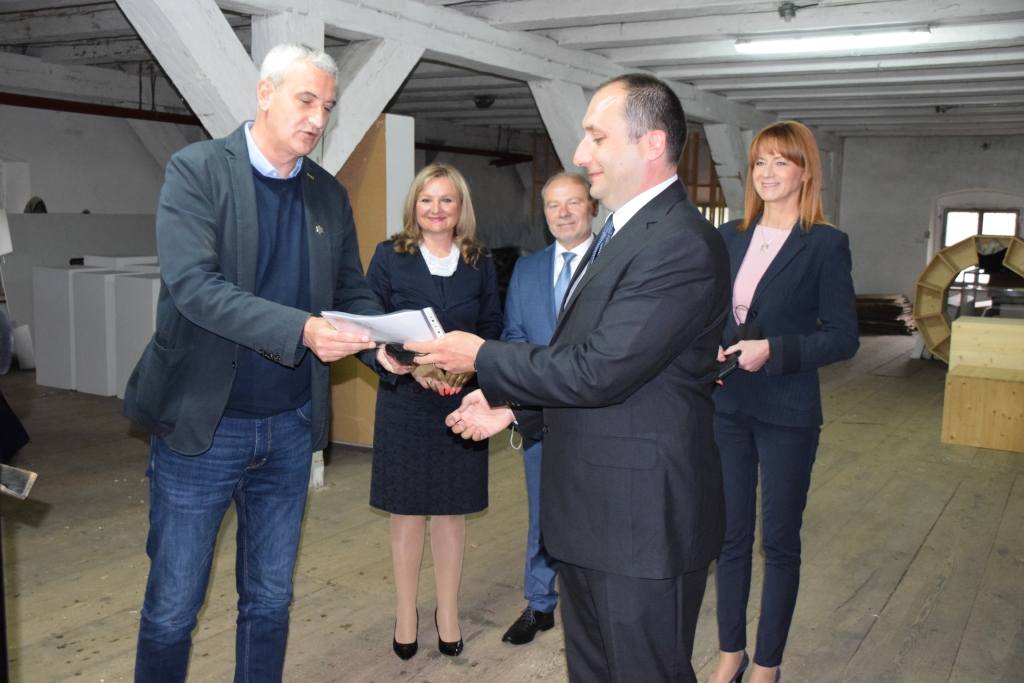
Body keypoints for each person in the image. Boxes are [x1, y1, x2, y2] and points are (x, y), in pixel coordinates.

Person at [406, 73, 732, 683]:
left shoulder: (679, 242)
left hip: (639, 521)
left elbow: (602, 369)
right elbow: (596, 360)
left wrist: (483, 356)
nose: (581, 154)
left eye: (596, 137)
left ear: (652, 143)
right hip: (592, 516)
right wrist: (514, 408)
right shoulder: (623, 233)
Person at [123, 43, 409, 683]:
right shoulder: (198, 171)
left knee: (270, 601)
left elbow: (348, 290)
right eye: (306, 100)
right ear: (264, 93)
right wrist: (302, 329)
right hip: (204, 426)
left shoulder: (326, 194)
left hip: (290, 426)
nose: (318, 118)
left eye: (327, 106)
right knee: (172, 608)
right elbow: (196, 288)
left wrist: (381, 343)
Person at [705, 121, 859, 683]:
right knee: (730, 538)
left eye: (781, 162)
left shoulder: (825, 243)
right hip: (727, 407)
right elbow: (709, 312)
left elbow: (843, 337)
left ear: (804, 171)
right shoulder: (730, 237)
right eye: (759, 162)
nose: (767, 173)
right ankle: (730, 654)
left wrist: (774, 350)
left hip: (787, 412)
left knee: (779, 543)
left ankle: (767, 664)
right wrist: (707, 343)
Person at [364, 163, 503, 661]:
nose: (436, 209)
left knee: (450, 509)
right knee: (406, 509)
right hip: (405, 399)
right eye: (427, 200)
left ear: (460, 207)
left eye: (446, 200)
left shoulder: (480, 261)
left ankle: (448, 612)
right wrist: (410, 365)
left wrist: (472, 369)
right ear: (414, 206)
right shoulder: (390, 256)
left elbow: (492, 325)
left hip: (462, 399)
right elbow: (371, 325)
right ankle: (407, 612)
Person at [498, 172, 597, 645]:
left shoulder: (612, 263)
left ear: (592, 206)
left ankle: (593, 607)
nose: (563, 213)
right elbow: (514, 338)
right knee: (543, 514)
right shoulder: (528, 269)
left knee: (596, 513)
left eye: (573, 202)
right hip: (540, 415)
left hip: (598, 415)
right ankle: (540, 604)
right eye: (554, 205)